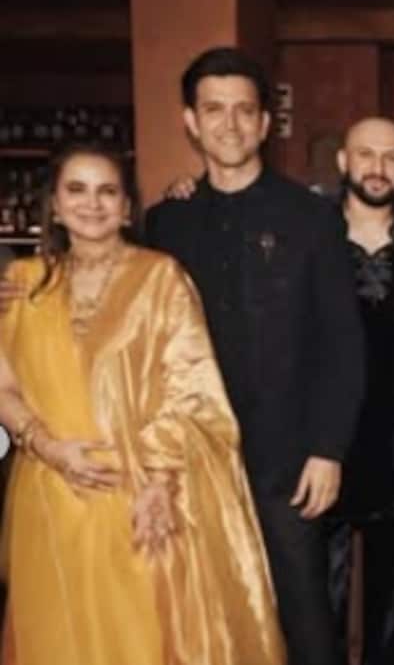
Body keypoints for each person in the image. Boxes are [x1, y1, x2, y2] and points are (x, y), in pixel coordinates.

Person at [0, 143, 284, 665]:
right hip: (52, 493)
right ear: (54, 205)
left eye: (107, 191)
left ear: (127, 207)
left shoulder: (161, 278)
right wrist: (48, 447)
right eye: (76, 190)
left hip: (137, 493)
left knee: (139, 636)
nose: (92, 203)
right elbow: (4, 387)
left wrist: (158, 482)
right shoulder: (22, 285)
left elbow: (191, 390)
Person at [144, 47, 365, 665]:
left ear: (265, 123)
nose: (230, 124)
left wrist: (328, 449)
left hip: (287, 459)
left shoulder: (312, 217)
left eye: (244, 110)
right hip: (195, 454)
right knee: (208, 614)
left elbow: (343, 342)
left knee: (305, 617)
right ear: (191, 122)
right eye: (214, 109)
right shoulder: (166, 223)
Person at [328, 117, 394, 665]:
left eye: (391, 156)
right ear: (343, 162)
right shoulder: (310, 230)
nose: (378, 167)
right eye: (365, 154)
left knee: (392, 600)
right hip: (324, 438)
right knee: (321, 596)